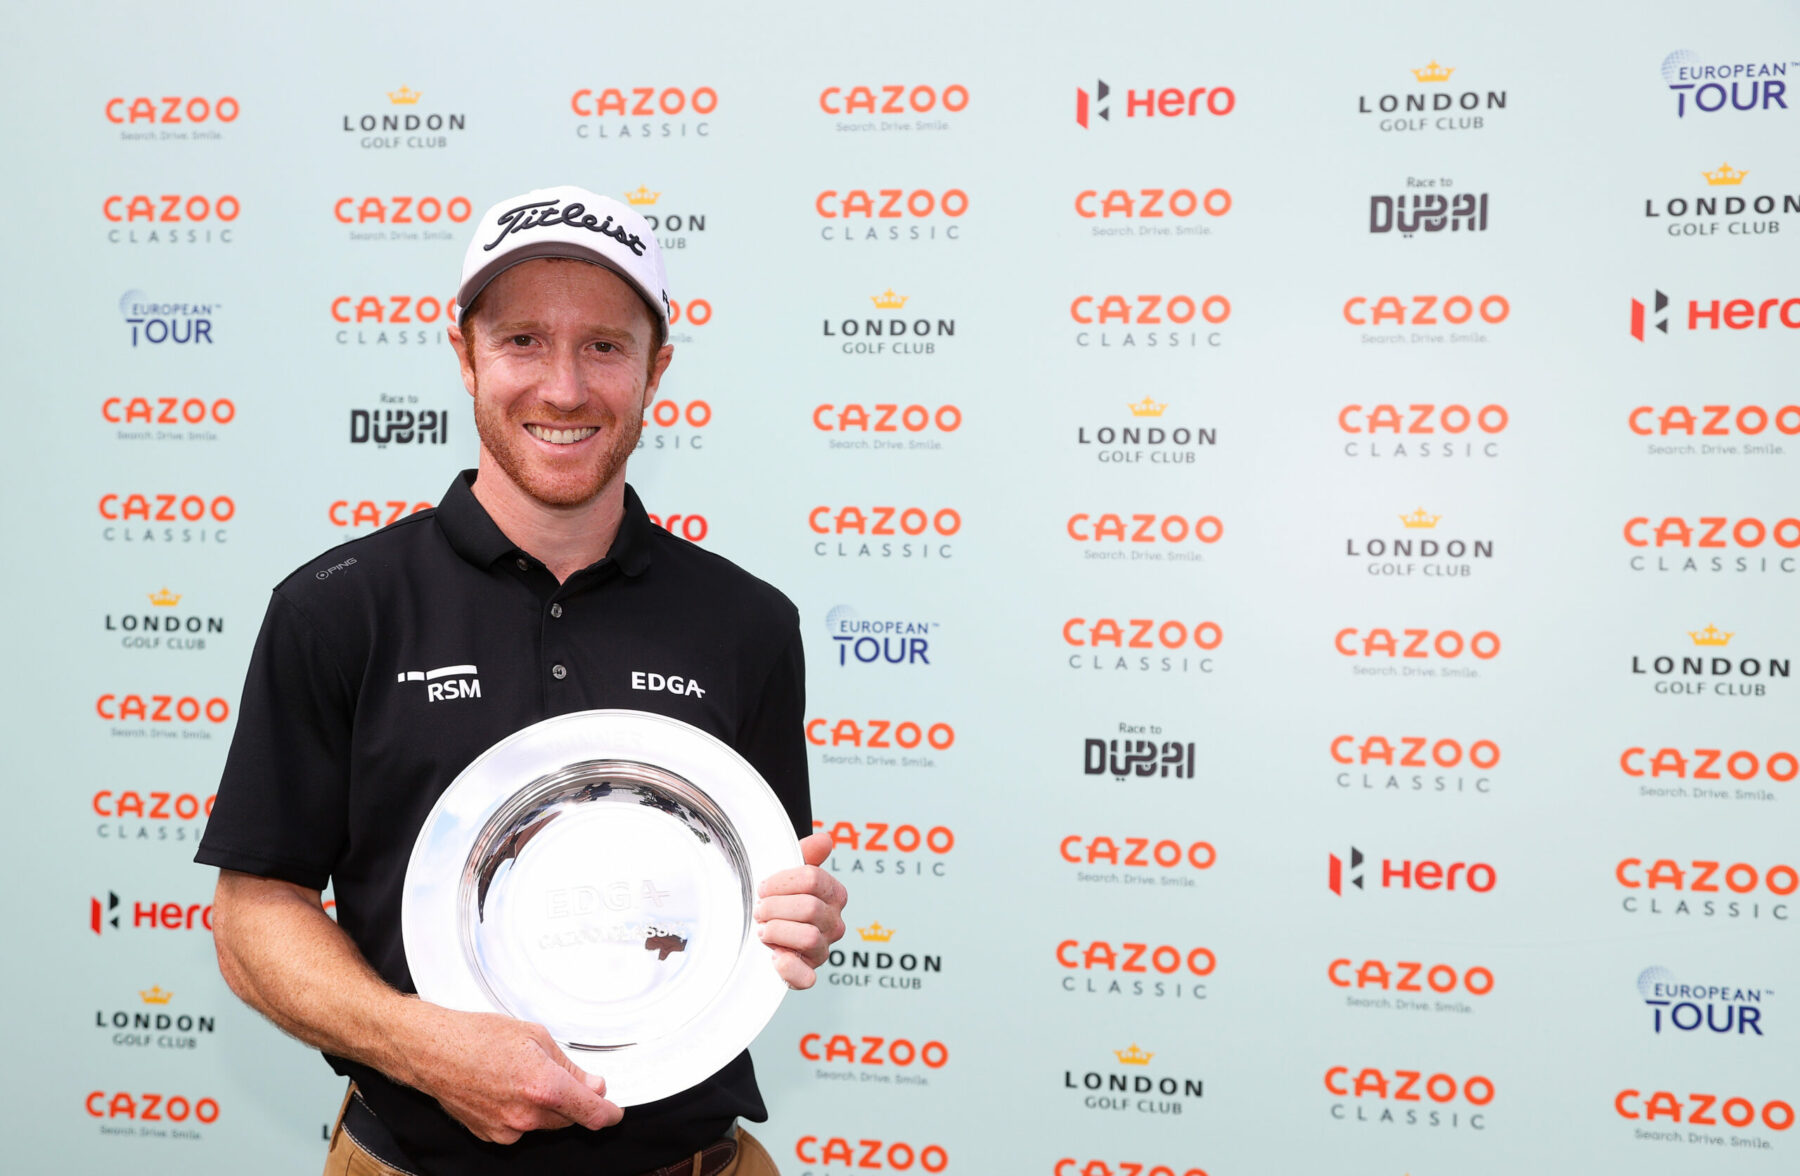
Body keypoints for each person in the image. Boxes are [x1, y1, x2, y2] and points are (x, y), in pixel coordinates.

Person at [196, 184, 847, 1176]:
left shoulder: (749, 624)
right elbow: (252, 917)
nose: (564, 388)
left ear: (655, 370)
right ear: (463, 354)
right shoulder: (338, 607)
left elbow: (756, 903)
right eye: (524, 341)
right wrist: (426, 1046)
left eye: (604, 346)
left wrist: (797, 919)